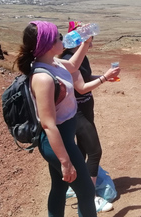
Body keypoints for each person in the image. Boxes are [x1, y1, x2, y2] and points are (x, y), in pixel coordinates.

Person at [14, 21, 96, 217]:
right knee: (86, 191)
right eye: (59, 37)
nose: (63, 40)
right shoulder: (43, 77)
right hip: (58, 143)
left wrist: (85, 40)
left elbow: (74, 65)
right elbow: (48, 124)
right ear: (49, 44)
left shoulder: (53, 63)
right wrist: (65, 161)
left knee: (59, 188)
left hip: (63, 139)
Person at [60, 21, 120, 212]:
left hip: (86, 109)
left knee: (83, 150)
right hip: (76, 112)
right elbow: (81, 88)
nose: (91, 39)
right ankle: (89, 196)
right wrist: (104, 78)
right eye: (86, 37)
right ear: (78, 39)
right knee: (95, 152)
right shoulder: (70, 58)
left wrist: (104, 76)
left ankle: (75, 186)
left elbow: (86, 80)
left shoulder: (81, 57)